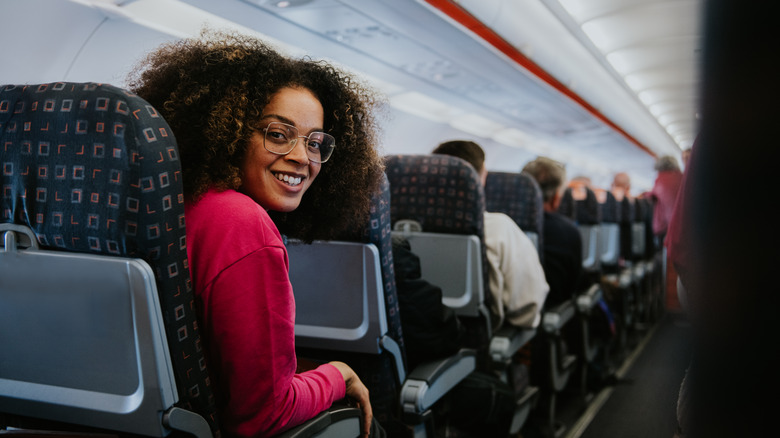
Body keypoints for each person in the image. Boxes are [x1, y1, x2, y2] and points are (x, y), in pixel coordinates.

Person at [128, 31, 386, 438]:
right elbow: (263, 416)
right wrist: (338, 376)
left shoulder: (168, 204)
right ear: (227, 132)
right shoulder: (241, 223)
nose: (303, 158)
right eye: (278, 134)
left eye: (315, 142)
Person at [431, 140, 550, 330]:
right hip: (475, 335)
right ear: (478, 180)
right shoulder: (498, 227)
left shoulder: (396, 225)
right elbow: (528, 305)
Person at [521, 156, 582, 309]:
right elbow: (572, 287)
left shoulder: (499, 223)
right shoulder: (568, 232)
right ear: (556, 198)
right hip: (551, 308)